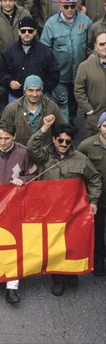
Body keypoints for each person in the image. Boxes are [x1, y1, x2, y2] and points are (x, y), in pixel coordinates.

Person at [27, 115, 101, 296]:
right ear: (54, 139)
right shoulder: (44, 155)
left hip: (73, 212)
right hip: (50, 212)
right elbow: (31, 146)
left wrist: (93, 201)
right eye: (60, 140)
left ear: (72, 142)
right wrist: (45, 127)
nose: (63, 144)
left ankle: (72, 272)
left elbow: (94, 179)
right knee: (53, 246)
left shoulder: (81, 159)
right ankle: (57, 279)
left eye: (68, 141)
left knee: (72, 244)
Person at [0, 120, 37, 303]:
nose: (2, 142)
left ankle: (12, 286)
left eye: (7, 138)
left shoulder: (24, 152)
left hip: (14, 204)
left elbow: (34, 174)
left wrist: (24, 180)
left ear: (14, 137)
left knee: (14, 243)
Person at [40, 0, 92, 124]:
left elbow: (94, 44)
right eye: (66, 6)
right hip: (59, 73)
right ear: (60, 6)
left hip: (79, 73)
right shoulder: (51, 24)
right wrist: (48, 71)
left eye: (73, 6)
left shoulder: (85, 21)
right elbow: (44, 50)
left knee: (74, 100)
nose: (70, 9)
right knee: (62, 101)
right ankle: (64, 130)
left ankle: (70, 120)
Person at [0, 17, 59, 117]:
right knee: (15, 126)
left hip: (39, 98)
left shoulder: (45, 52)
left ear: (35, 32)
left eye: (30, 30)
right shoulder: (9, 51)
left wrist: (42, 88)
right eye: (23, 31)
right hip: (15, 97)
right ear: (19, 32)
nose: (27, 33)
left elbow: (54, 74)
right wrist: (9, 81)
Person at [78, 113, 106, 276]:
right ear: (100, 126)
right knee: (98, 231)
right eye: (105, 125)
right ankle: (99, 259)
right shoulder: (87, 146)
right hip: (98, 199)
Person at [1, 75, 64, 146]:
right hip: (21, 153)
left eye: (38, 90)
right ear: (24, 91)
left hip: (44, 153)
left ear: (42, 91)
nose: (34, 94)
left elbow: (61, 131)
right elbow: (4, 134)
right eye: (30, 90)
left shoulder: (52, 107)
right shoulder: (11, 109)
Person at [74, 31, 106, 137]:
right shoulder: (85, 67)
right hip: (94, 120)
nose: (105, 46)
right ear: (95, 47)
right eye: (102, 44)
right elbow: (79, 90)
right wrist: (89, 110)